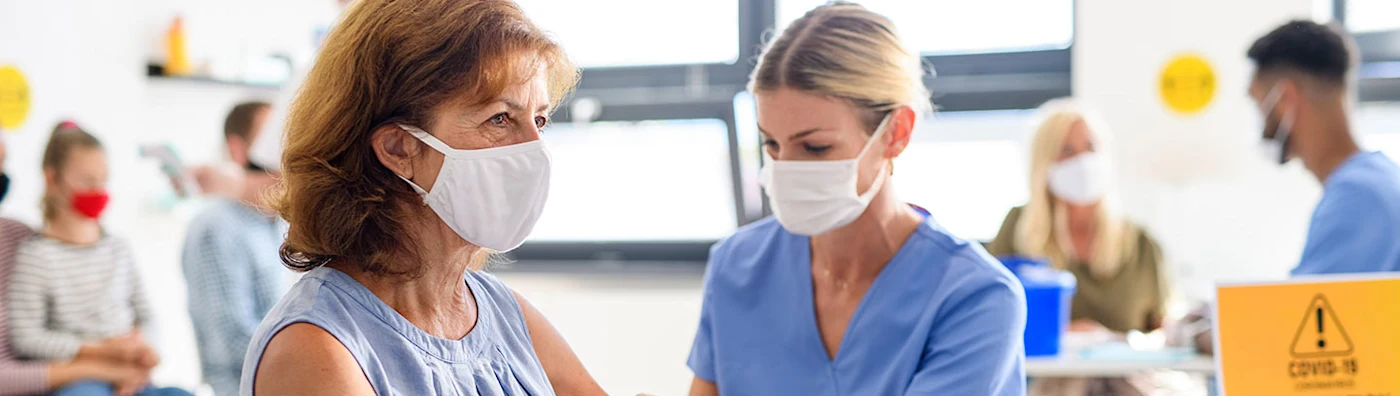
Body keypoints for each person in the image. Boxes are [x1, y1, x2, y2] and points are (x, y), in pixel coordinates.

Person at [241, 0, 604, 395]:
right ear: (399, 149)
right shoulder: (315, 348)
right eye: (500, 119)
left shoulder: (502, 312)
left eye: (539, 121)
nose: (533, 151)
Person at [685, 3, 1026, 395]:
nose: (785, 168)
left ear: (895, 133)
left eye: (815, 147)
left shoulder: (976, 299)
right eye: (771, 144)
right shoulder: (737, 267)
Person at [984, 100, 1168, 396]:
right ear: (1044, 162)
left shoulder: (1140, 244)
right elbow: (992, 318)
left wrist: (1112, 340)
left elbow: (1163, 333)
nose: (1082, 160)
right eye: (1067, 150)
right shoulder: (1017, 231)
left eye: (1091, 148)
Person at [5, 122, 191, 396]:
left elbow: (147, 316)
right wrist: (100, 351)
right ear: (52, 180)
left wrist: (148, 351)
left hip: (133, 373)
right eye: (87, 181)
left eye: (103, 180)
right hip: (79, 382)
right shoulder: (37, 257)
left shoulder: (118, 249)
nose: (98, 190)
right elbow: (27, 338)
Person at [1248, 20, 1400, 275]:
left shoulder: (1358, 197)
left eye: (1259, 103)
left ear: (1285, 100)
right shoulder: (1380, 179)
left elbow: (1306, 311)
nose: (1260, 120)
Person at [181, 102, 289, 396]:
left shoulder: (280, 224)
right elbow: (232, 340)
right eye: (269, 139)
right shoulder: (216, 229)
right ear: (238, 150)